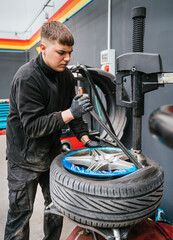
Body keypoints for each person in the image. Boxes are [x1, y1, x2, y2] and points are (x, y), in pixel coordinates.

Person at [4, 21, 101, 240]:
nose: (67, 58)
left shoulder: (66, 76)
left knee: (56, 209)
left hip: (51, 156)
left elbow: (74, 114)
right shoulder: (27, 77)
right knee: (20, 216)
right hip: (24, 159)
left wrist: (86, 140)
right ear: (43, 48)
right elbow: (33, 127)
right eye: (61, 52)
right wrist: (70, 112)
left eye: (70, 53)